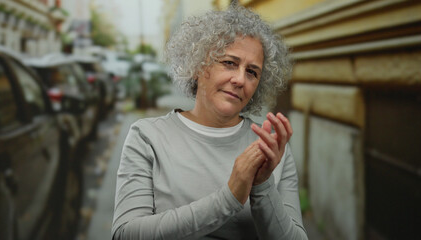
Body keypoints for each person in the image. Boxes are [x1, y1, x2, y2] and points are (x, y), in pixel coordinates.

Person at [112, 4, 308, 240]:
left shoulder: (270, 148)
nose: (239, 79)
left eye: (252, 72)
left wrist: (263, 185)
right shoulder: (147, 137)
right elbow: (125, 234)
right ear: (197, 66)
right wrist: (229, 197)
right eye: (229, 63)